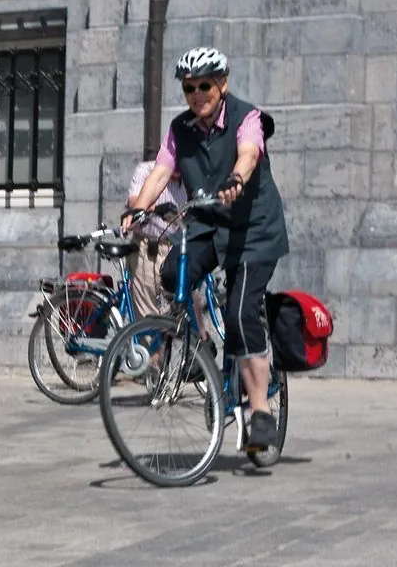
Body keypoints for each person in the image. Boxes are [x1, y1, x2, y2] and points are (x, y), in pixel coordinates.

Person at [125, 46, 289, 454]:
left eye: (204, 86)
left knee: (238, 312)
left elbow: (249, 152)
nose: (197, 94)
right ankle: (201, 347)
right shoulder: (180, 128)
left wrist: (237, 175)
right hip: (208, 224)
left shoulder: (246, 117)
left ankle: (260, 411)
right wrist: (136, 212)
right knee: (171, 276)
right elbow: (161, 171)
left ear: (222, 84)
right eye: (189, 88)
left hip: (253, 230)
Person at [124, 159, 185, 320]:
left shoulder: (189, 177)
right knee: (150, 315)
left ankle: (202, 338)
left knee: (189, 301)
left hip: (176, 248)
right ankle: (149, 344)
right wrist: (157, 209)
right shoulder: (147, 170)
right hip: (149, 249)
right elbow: (134, 202)